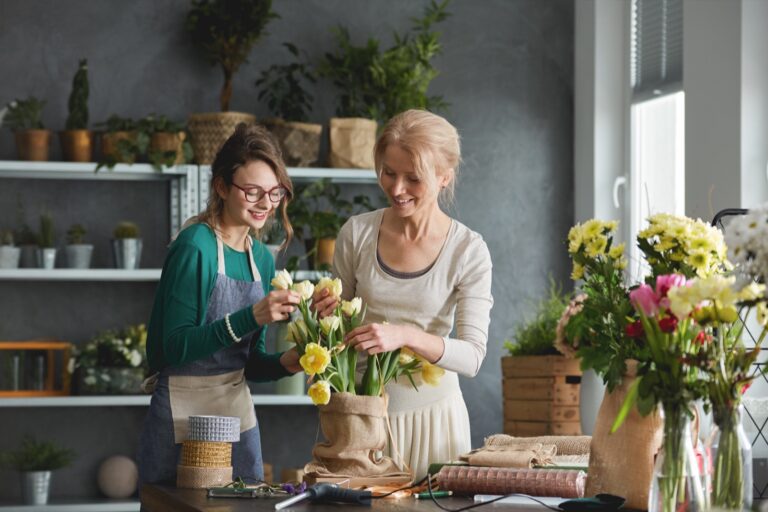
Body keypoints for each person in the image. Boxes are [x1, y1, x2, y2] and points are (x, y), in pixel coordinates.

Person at [313, 109, 494, 479]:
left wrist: (405, 335)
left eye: (413, 178)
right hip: (361, 421)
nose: (397, 189)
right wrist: (321, 315)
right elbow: (335, 336)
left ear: (444, 176)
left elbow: (473, 357)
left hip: (435, 422)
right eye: (388, 173)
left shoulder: (468, 250)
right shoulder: (357, 233)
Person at [138, 123, 301, 486]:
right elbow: (174, 346)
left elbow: (250, 363)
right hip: (181, 411)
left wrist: (289, 363)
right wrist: (250, 316)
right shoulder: (194, 247)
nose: (265, 204)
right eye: (253, 191)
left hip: (235, 411)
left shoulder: (261, 258)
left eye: (275, 193)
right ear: (222, 187)